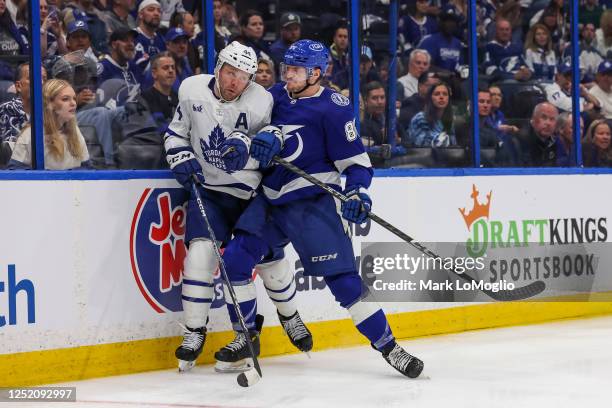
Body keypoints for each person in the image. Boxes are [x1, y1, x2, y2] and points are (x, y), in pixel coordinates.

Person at [211, 39, 424, 379]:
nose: (287, 75)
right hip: (271, 199)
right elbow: (247, 131)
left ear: (316, 73)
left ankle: (390, 347)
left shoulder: (334, 110)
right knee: (235, 259)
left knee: (344, 284)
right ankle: (245, 337)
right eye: (286, 68)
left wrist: (356, 194)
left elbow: (357, 166)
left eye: (295, 70)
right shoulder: (275, 96)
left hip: (311, 204)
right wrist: (252, 146)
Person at [163, 41, 312, 372]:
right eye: (230, 73)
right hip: (211, 192)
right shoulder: (190, 90)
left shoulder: (262, 99)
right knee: (199, 257)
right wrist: (181, 156)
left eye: (244, 76)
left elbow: (279, 131)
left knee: (269, 263)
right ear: (218, 68)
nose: (235, 82)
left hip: (253, 194)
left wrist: (272, 137)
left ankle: (290, 317)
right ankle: (193, 331)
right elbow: (176, 134)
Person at [8, 79, 90, 170]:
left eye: (74, 98)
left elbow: (86, 168)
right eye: (65, 99)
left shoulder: (75, 131)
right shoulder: (31, 134)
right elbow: (15, 172)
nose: (73, 103)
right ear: (49, 104)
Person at [408, 82, 456, 147]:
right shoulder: (420, 118)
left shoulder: (450, 120)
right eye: (437, 94)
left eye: (445, 94)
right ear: (430, 98)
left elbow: (453, 145)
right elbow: (425, 144)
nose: (441, 97)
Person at [141, 51, 178, 133]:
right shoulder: (145, 99)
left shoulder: (178, 97)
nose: (171, 71)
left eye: (173, 67)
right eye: (166, 68)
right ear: (154, 73)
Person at [519, 102, 559, 167]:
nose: (548, 123)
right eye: (544, 117)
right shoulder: (520, 141)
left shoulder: (556, 142)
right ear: (533, 119)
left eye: (552, 119)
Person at [134, 0, 166, 71]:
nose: (156, 13)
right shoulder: (132, 37)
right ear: (141, 14)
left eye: (159, 11)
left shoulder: (162, 40)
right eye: (151, 10)